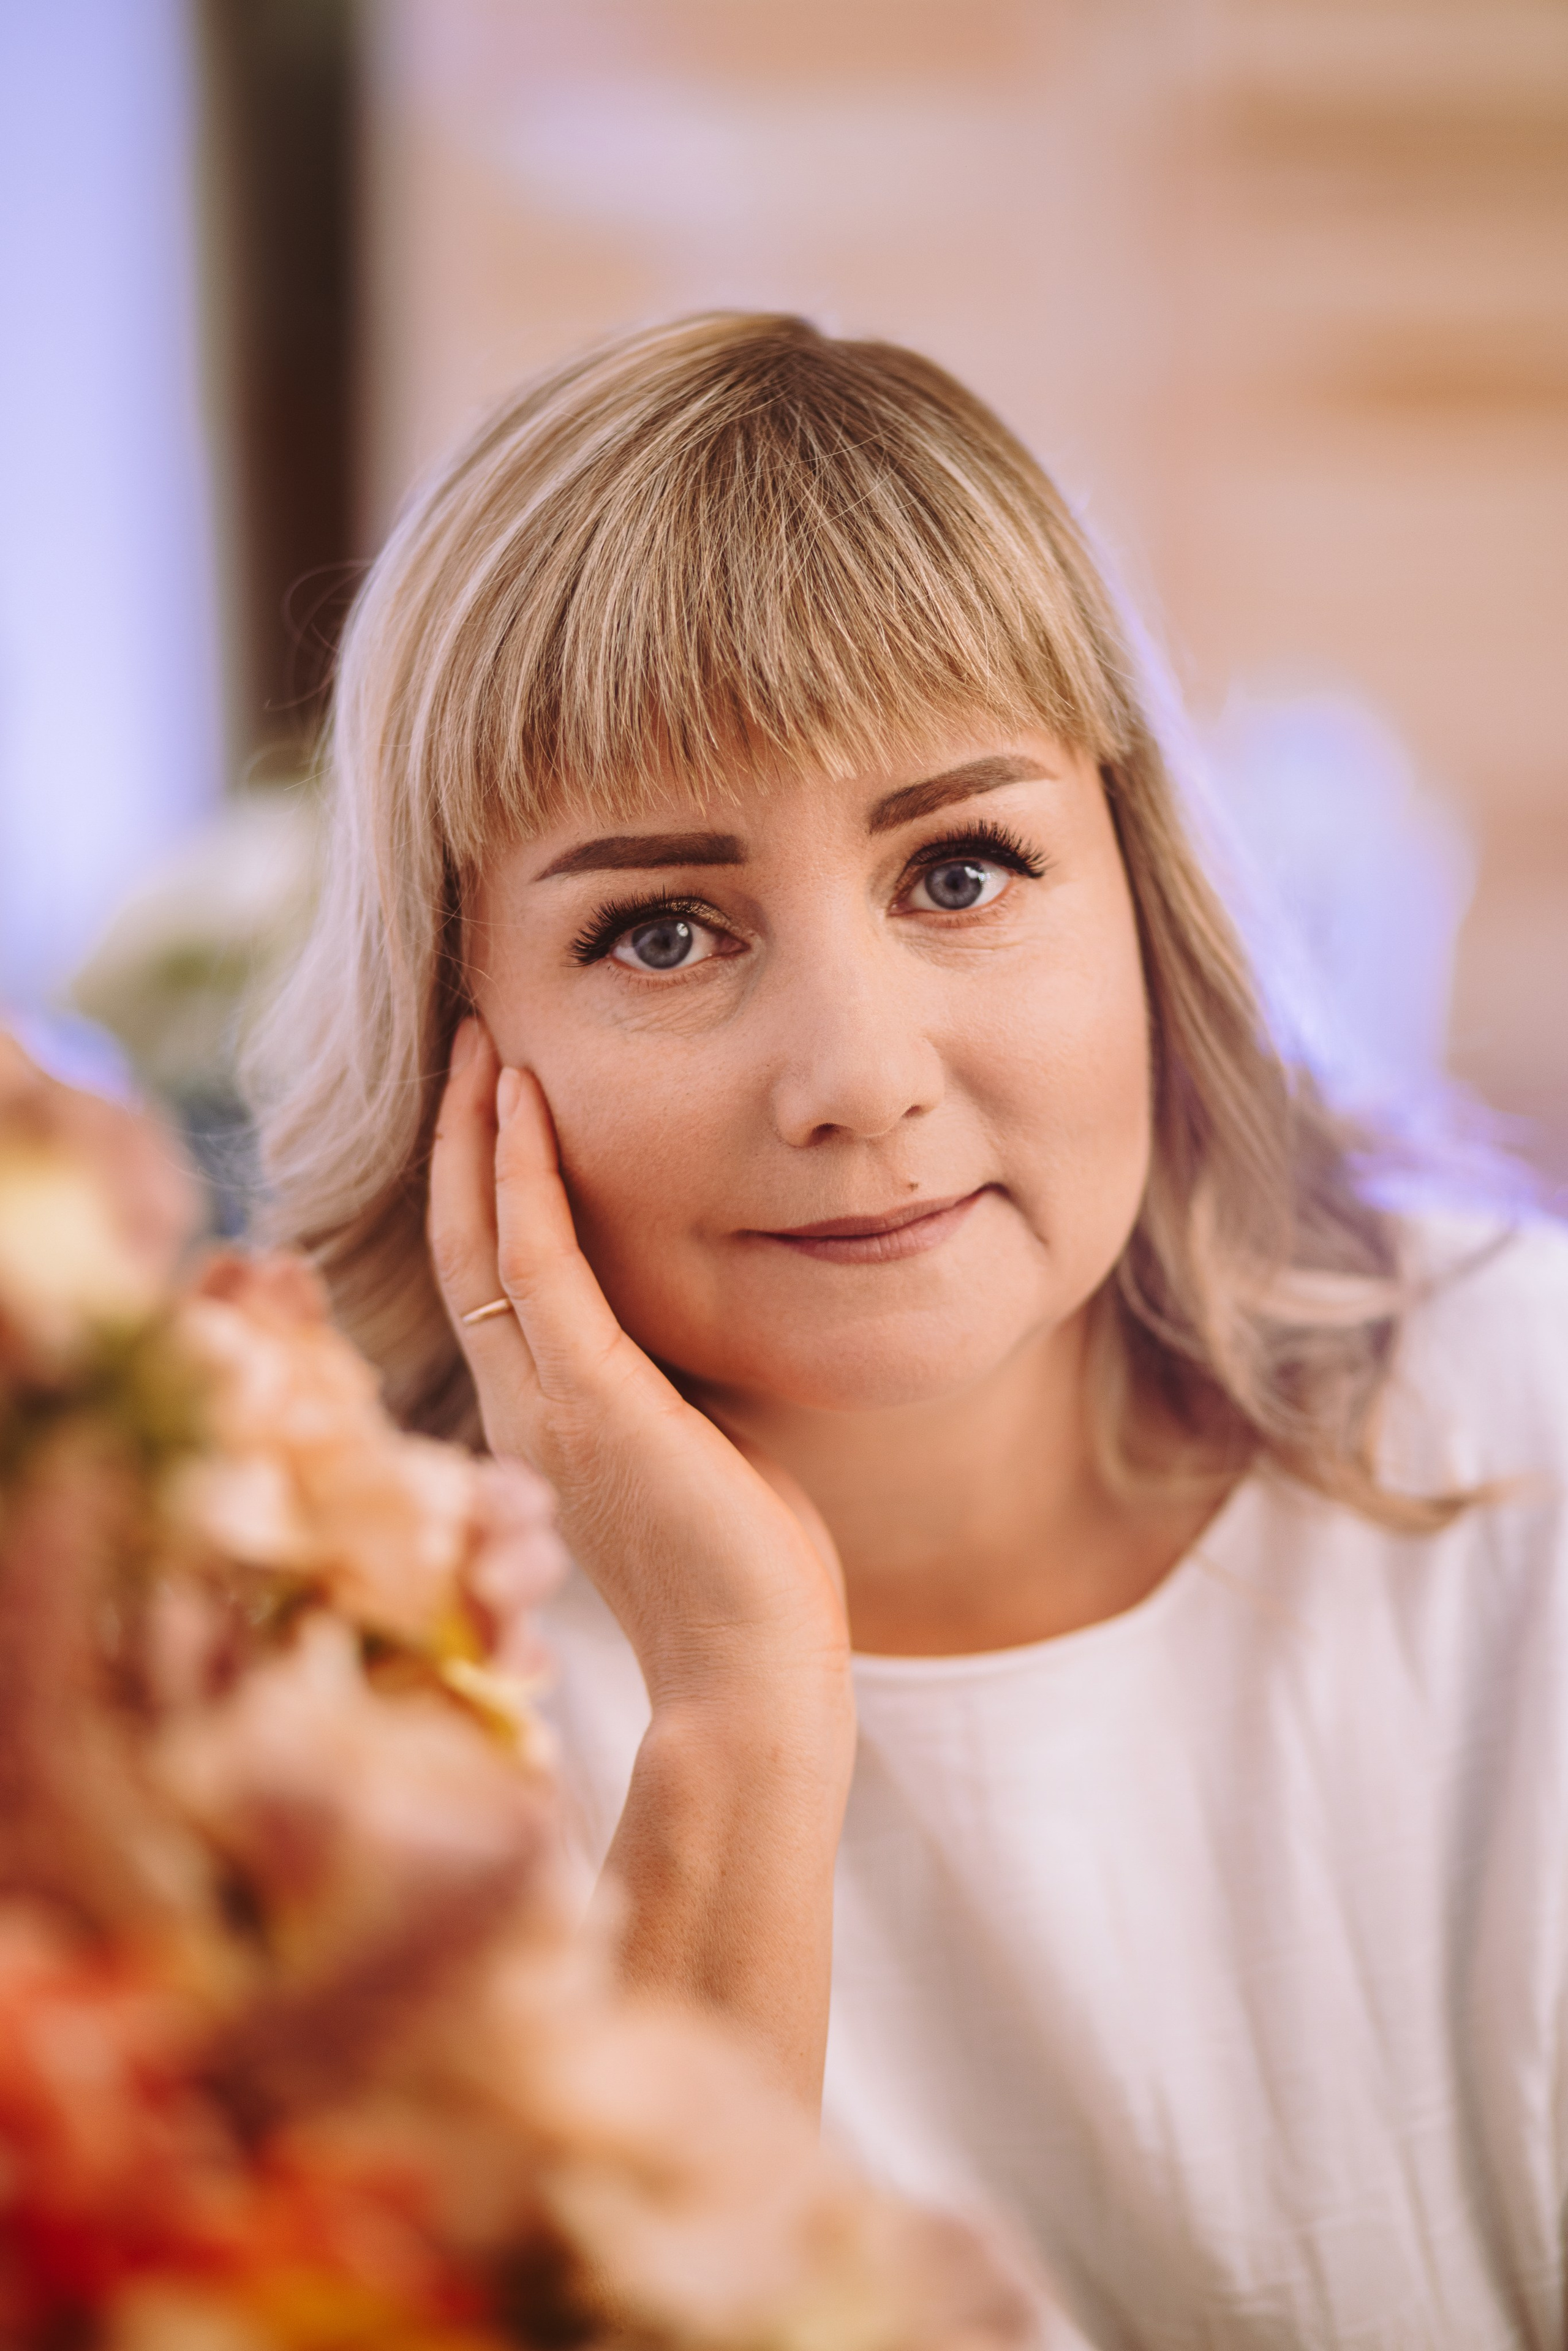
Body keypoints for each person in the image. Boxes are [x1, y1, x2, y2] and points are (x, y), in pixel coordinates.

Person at [250, 313, 1568, 2348]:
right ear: (459, 1041)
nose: (857, 1077)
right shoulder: (337, 1690)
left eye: (961, 867)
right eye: (662, 930)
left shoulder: (1523, 1426)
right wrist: (738, 1725)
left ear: (1139, 897)